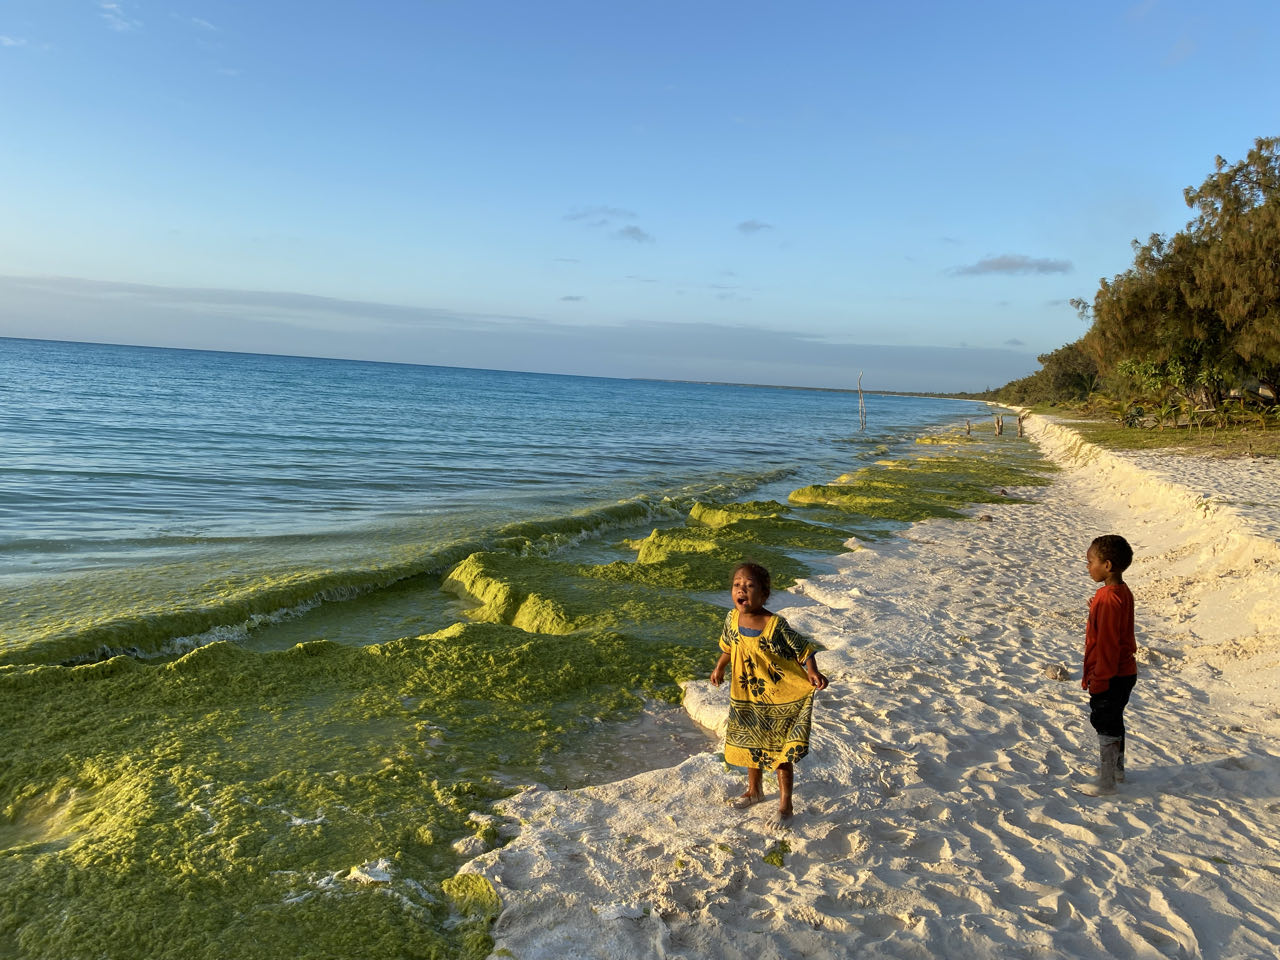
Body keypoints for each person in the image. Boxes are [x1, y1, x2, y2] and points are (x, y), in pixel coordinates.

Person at [710, 561, 828, 821]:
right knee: (753, 746)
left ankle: (786, 805)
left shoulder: (775, 625)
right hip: (746, 698)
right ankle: (755, 791)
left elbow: (804, 649)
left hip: (777, 698)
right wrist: (719, 668)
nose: (742, 590)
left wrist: (812, 671)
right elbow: (728, 647)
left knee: (779, 753)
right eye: (737, 585)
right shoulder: (731, 619)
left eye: (750, 586)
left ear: (763, 595)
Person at [1078, 534, 1138, 797]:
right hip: (1125, 672)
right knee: (1114, 720)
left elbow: (1108, 644)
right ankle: (1117, 771)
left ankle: (1107, 782)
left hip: (1111, 673)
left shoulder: (1108, 599)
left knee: (1104, 720)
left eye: (1091, 561)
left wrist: (1100, 677)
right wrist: (1097, 609)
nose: (1087, 566)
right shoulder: (1119, 592)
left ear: (1108, 565)